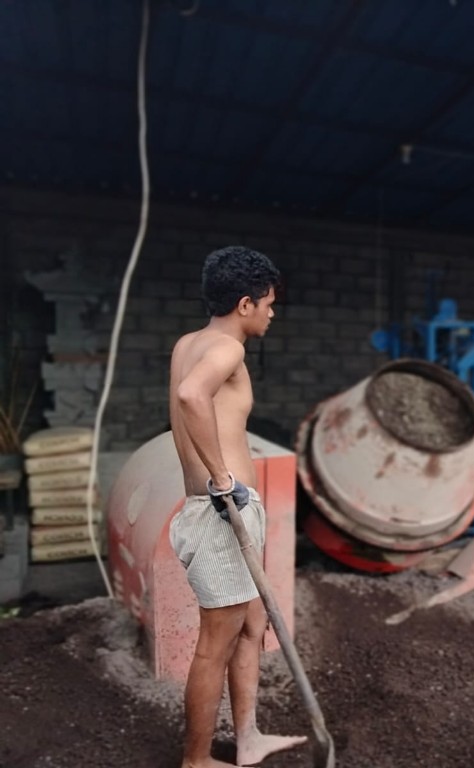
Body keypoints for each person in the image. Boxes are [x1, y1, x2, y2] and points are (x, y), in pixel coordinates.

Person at [168, 246, 306, 768]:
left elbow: (190, 395)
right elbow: (190, 397)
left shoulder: (190, 342)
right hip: (222, 512)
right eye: (269, 304)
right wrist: (223, 479)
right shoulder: (227, 349)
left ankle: (247, 739)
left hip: (228, 510)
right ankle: (197, 761)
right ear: (245, 303)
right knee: (214, 644)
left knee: (252, 626)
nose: (272, 313)